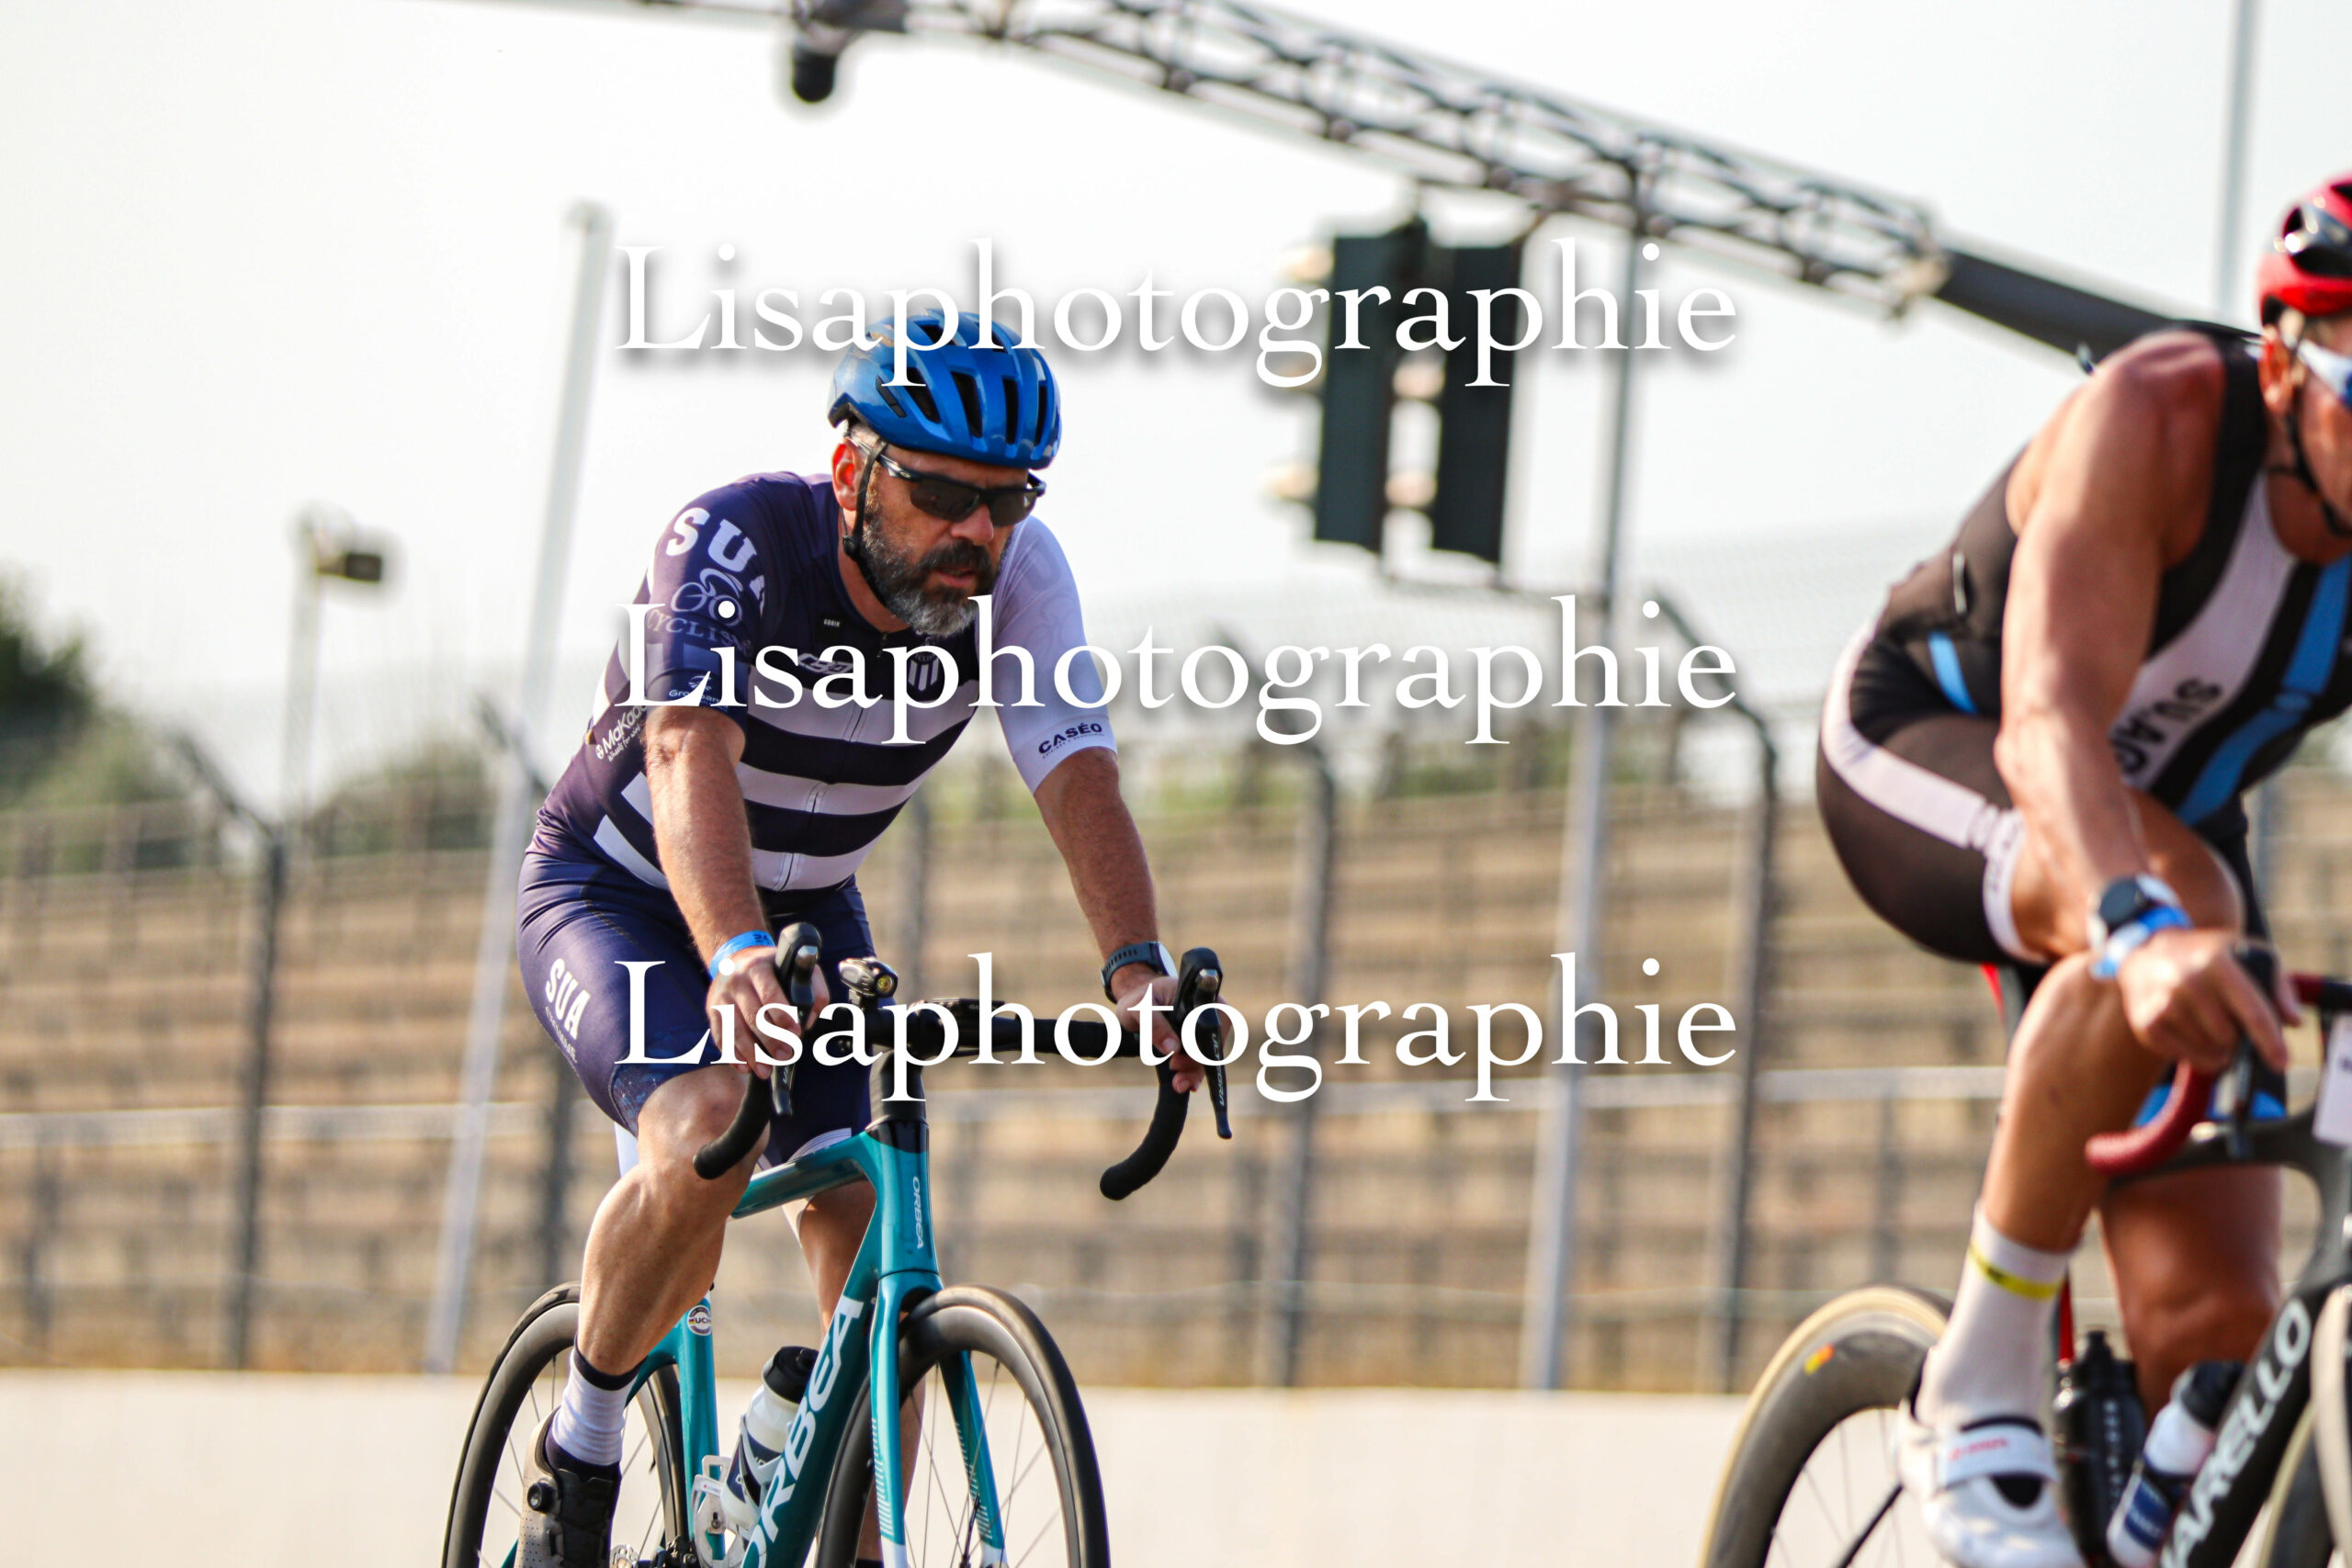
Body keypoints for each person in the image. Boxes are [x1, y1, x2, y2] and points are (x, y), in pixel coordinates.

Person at [508, 312, 1202, 1568]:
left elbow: (1076, 773)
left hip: (808, 909)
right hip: (619, 890)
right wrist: (731, 952)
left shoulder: (1018, 581)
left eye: (1006, 502)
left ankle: (843, 1527)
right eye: (941, 496)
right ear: (852, 472)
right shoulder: (732, 541)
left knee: (861, 1223)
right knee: (709, 1130)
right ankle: (583, 1453)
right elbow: (685, 746)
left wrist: (1138, 971)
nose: (977, 533)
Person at [1816, 177, 2352, 1568]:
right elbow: (2049, 719)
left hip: (2171, 824)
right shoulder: (2157, 418)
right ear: (2285, 367)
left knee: (2218, 1334)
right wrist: (2133, 926)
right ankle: (1973, 1385)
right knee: (2184, 910)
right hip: (1939, 743)